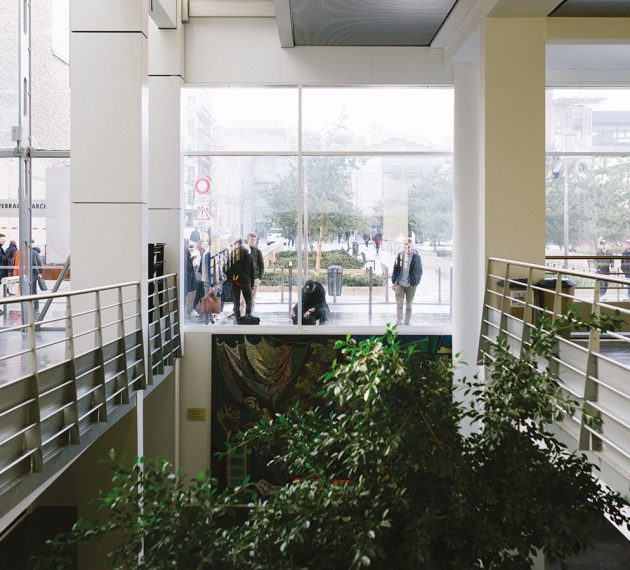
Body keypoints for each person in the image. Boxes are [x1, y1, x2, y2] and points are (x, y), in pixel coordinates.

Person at [391, 238, 423, 326]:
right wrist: (394, 282)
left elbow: (420, 271)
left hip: (411, 285)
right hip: (400, 284)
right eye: (406, 246)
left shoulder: (416, 257)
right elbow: (396, 269)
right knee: (399, 303)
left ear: (412, 246)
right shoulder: (400, 255)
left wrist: (416, 282)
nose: (407, 248)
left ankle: (407, 320)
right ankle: (399, 320)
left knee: (409, 305)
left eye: (409, 247)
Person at [226, 242, 255, 323]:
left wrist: (233, 278)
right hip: (246, 282)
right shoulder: (249, 257)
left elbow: (227, 270)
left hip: (236, 282)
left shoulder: (232, 257)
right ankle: (248, 317)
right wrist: (252, 285)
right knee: (249, 301)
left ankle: (238, 319)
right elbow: (253, 272)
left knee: (236, 302)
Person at [242, 232, 264, 314]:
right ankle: (242, 317)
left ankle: (250, 315)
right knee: (242, 300)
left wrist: (259, 278)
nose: (253, 241)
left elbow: (261, 266)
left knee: (252, 299)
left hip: (255, 279)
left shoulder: (258, 251)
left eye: (254, 240)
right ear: (247, 240)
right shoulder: (242, 250)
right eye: (251, 240)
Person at [31, 245, 44, 312]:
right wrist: (39, 272)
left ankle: (34, 306)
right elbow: (37, 263)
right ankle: (36, 307)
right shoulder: (35, 252)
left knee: (32, 290)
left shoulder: (31, 251)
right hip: (34, 273)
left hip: (30, 273)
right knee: (33, 290)